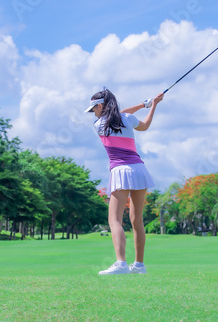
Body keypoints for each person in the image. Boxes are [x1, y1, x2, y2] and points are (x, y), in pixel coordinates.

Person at [85, 88, 164, 275]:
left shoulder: (99, 124)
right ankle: (139, 265)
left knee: (114, 220)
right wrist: (152, 106)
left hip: (120, 171)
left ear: (101, 106)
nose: (93, 113)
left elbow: (119, 114)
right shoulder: (128, 119)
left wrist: (144, 104)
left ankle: (121, 263)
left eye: (94, 108)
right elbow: (144, 126)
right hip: (139, 169)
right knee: (137, 221)